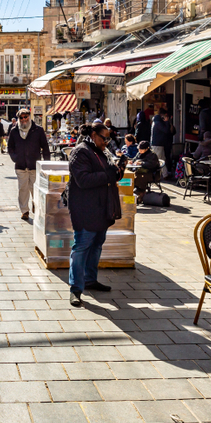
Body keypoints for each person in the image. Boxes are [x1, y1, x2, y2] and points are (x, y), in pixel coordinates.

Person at [68, 122, 126, 307]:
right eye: (104, 138)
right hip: (85, 209)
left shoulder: (102, 152)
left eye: (108, 138)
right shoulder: (81, 152)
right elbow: (83, 180)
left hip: (102, 208)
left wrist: (119, 170)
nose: (107, 142)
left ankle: (90, 280)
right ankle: (76, 289)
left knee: (96, 245)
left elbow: (109, 175)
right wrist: (108, 175)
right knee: (82, 247)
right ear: (93, 135)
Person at [7, 108, 51, 221]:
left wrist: (46, 164)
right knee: (23, 189)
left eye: (26, 117)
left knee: (35, 188)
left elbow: (45, 147)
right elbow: (10, 147)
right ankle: (24, 211)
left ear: (29, 117)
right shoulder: (14, 131)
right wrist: (15, 158)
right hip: (21, 166)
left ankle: (36, 206)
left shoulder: (38, 130)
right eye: (21, 118)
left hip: (35, 165)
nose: (23, 119)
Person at [150, 110, 171, 176]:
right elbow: (166, 130)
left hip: (157, 144)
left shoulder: (155, 122)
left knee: (162, 159)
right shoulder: (158, 123)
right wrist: (167, 122)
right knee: (158, 160)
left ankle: (165, 174)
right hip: (158, 144)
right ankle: (154, 174)